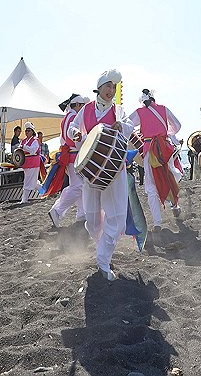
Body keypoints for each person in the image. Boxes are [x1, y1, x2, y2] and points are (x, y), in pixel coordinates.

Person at [69, 69, 130, 281]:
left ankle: (103, 261)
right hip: (90, 170)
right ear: (99, 87)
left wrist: (122, 126)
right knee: (93, 220)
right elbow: (72, 128)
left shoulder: (118, 109)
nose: (111, 91)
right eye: (108, 87)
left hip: (115, 170)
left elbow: (129, 126)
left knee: (117, 218)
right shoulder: (85, 110)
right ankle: (102, 245)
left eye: (114, 88)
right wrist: (75, 133)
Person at [125, 89, 182, 230]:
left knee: (151, 185)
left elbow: (126, 125)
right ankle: (174, 204)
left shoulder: (140, 112)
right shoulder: (164, 109)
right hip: (164, 148)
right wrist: (165, 133)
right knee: (168, 177)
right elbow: (178, 126)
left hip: (150, 149)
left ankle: (157, 222)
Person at [47, 94, 89, 227]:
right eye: (81, 106)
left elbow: (63, 140)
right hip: (75, 155)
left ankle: (82, 215)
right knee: (78, 186)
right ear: (76, 105)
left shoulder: (66, 118)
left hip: (70, 155)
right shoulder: (73, 118)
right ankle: (57, 211)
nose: (82, 109)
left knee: (80, 186)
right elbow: (76, 139)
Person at [19, 122, 42, 204]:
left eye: (28, 130)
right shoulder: (24, 141)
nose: (27, 132)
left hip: (33, 162)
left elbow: (33, 150)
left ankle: (24, 199)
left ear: (32, 131)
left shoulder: (35, 140)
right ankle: (45, 192)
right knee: (33, 181)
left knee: (28, 181)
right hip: (26, 163)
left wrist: (24, 147)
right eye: (26, 131)